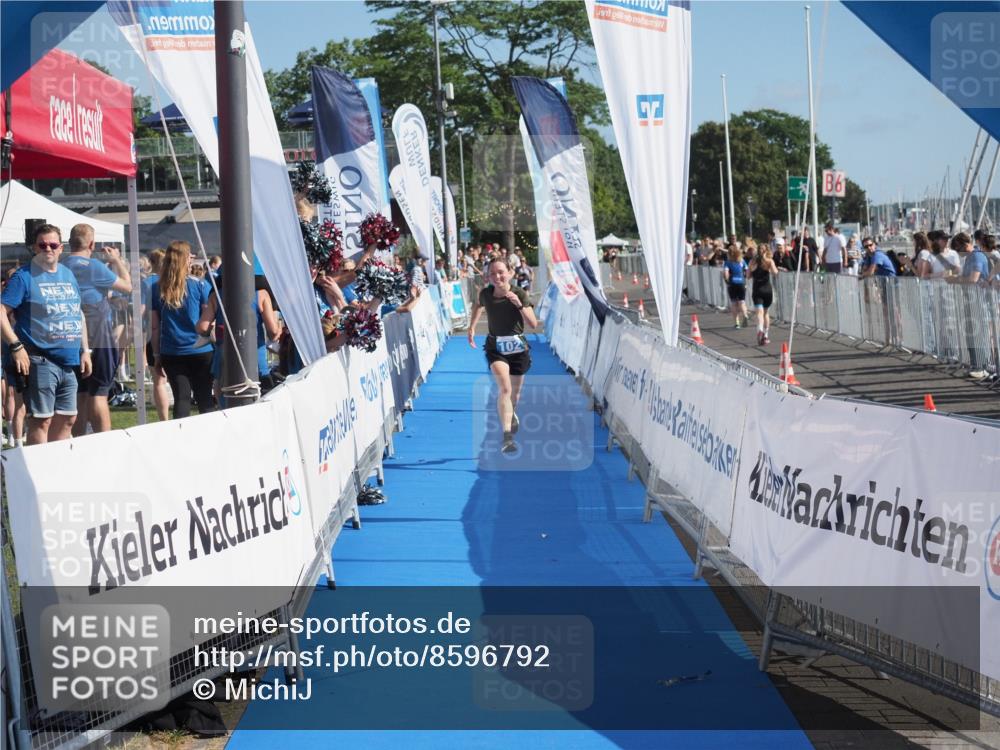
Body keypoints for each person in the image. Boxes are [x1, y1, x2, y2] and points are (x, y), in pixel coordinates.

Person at [0, 224, 91, 444]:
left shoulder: (67, 274)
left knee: (68, 418)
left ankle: (54, 462)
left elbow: (77, 313)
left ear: (61, 248)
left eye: (52, 245)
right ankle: (35, 463)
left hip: (68, 361)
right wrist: (15, 346)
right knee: (41, 420)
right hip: (40, 359)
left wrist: (85, 350)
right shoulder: (23, 276)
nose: (48, 249)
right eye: (42, 245)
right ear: (34, 248)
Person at [62, 225, 131, 435]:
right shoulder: (93, 266)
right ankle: (104, 442)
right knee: (99, 393)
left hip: (70, 334)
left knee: (80, 393)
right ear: (91, 244)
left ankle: (79, 441)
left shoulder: (61, 266)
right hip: (98, 335)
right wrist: (116, 260)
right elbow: (128, 286)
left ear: (69, 242)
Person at [467, 258, 538, 455]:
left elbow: (533, 324)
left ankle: (511, 413)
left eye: (501, 272)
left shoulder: (519, 293)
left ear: (510, 273)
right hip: (495, 347)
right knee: (505, 389)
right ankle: (507, 437)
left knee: (515, 394)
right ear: (488, 276)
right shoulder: (486, 294)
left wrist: (519, 305)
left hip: (518, 349)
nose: (497, 277)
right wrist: (472, 327)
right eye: (492, 273)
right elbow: (478, 306)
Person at [150, 241, 215, 419]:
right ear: (186, 259)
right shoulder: (200, 285)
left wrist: (156, 355)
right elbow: (208, 318)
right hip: (201, 349)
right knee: (205, 398)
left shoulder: (157, 288)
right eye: (190, 255)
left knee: (181, 399)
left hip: (172, 351)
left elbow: (155, 326)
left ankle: (179, 434)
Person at [945, 232, 991, 381]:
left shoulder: (977, 256)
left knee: (978, 334)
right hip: (970, 300)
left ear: (965, 245)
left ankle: (981, 366)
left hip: (979, 300)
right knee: (971, 334)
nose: (958, 253)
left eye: (958, 249)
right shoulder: (970, 258)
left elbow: (973, 279)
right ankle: (975, 365)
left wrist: (955, 280)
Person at [749, 247, 779, 345]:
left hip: (757, 290)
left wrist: (753, 270)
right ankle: (765, 335)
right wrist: (769, 263)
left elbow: (748, 276)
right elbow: (775, 273)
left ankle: (760, 330)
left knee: (759, 312)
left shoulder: (752, 262)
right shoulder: (769, 261)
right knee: (765, 313)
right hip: (767, 290)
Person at [723, 245, 749, 328]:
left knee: (734, 303)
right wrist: (745, 280)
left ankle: (737, 323)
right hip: (741, 282)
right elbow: (747, 271)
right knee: (742, 301)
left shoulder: (728, 262)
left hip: (732, 283)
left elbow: (726, 273)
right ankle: (745, 314)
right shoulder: (742, 261)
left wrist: (727, 281)